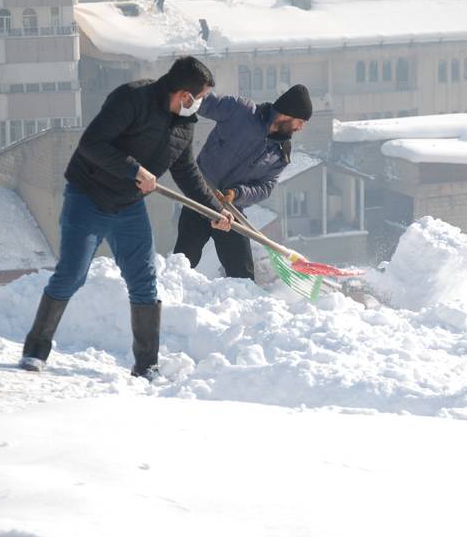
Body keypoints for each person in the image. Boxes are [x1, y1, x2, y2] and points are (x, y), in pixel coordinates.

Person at [19, 56, 233, 379]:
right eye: (200, 98)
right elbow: (91, 144)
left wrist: (214, 211)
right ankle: (35, 351)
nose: (201, 105)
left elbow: (187, 172)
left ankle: (147, 366)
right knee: (71, 274)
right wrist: (134, 169)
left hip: (129, 206)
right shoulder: (132, 99)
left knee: (144, 282)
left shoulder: (184, 125)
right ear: (184, 95)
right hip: (88, 197)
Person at [173, 84, 313, 280]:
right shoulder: (240, 111)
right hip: (200, 197)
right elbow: (203, 103)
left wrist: (236, 193)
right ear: (286, 114)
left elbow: (265, 188)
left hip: (232, 211)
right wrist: (178, 97)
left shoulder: (280, 153)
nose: (301, 127)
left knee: (243, 275)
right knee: (182, 264)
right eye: (300, 121)